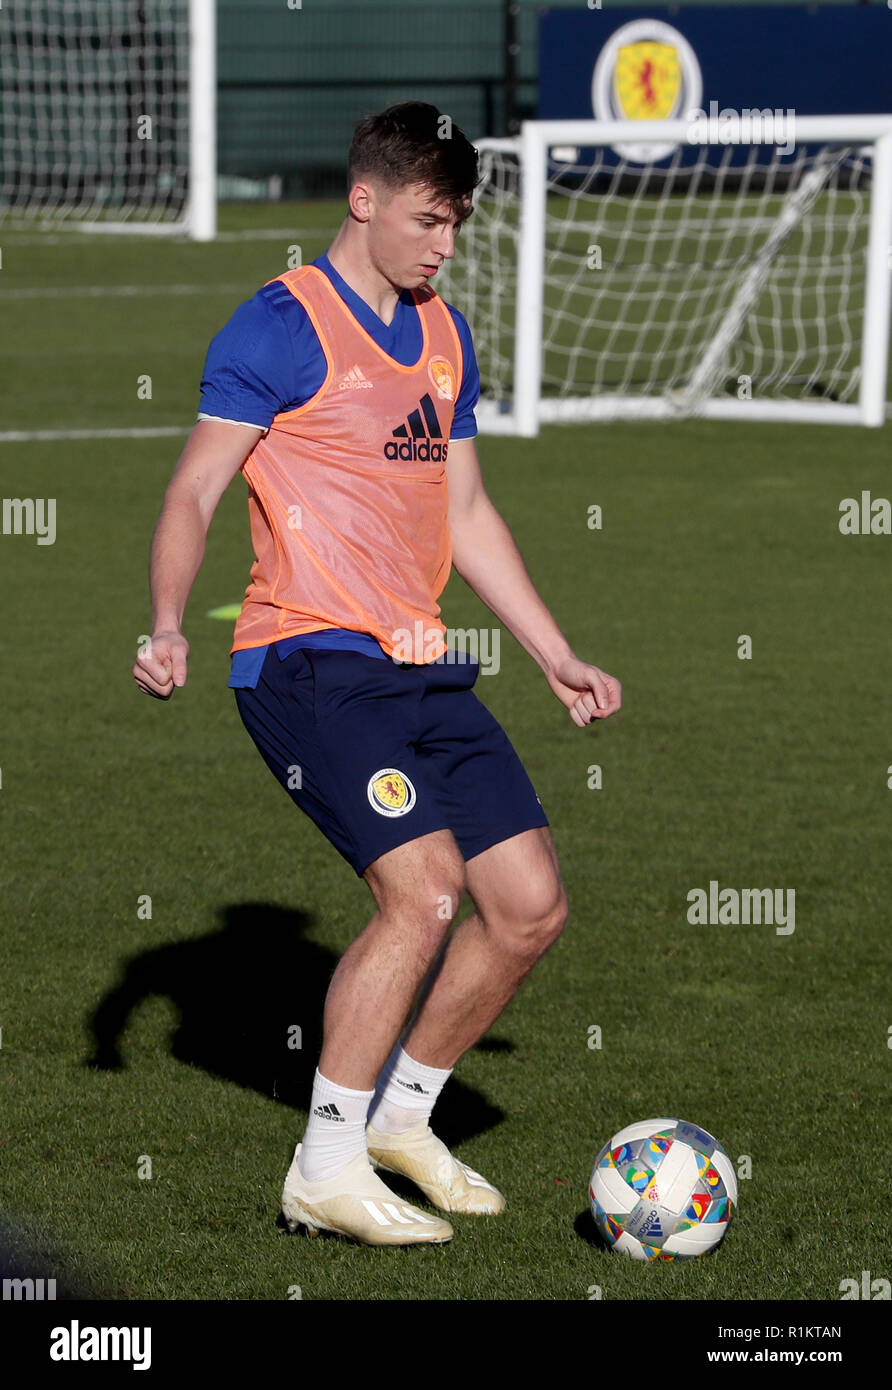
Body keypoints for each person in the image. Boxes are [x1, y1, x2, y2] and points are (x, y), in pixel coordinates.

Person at [133, 101, 621, 1247]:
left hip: (419, 664)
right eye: (428, 218)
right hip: (304, 662)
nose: (443, 243)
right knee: (424, 888)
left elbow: (467, 509)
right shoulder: (278, 326)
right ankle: (323, 1165)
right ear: (364, 200)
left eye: (453, 223)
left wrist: (554, 652)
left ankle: (402, 1121)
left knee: (528, 907)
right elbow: (194, 489)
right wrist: (166, 621)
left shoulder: (445, 336)